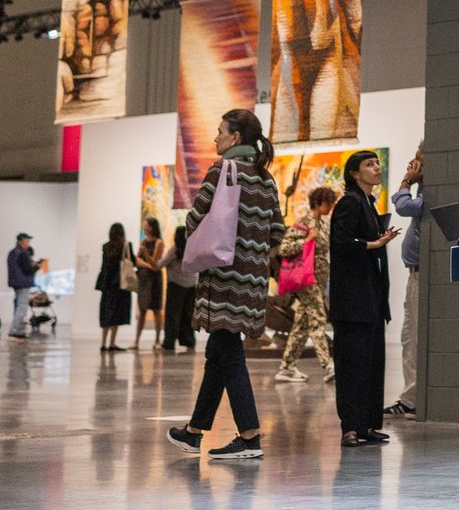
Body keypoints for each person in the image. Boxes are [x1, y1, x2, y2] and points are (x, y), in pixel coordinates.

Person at [165, 108, 283, 463]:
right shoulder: (266, 177)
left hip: (223, 277)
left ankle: (249, 435)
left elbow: (194, 217)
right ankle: (194, 431)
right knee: (219, 351)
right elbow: (277, 230)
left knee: (228, 355)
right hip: (252, 280)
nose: (214, 138)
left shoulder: (222, 169)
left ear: (234, 138)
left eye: (219, 131)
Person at [329, 152, 396, 448]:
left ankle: (367, 425)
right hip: (353, 301)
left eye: (376, 163)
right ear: (355, 173)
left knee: (371, 362)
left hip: (369, 298)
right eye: (369, 165)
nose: (376, 168)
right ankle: (350, 428)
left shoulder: (367, 203)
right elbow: (341, 243)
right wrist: (375, 243)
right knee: (353, 365)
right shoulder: (350, 202)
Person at [276, 186, 336, 384]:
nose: (330, 207)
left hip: (319, 280)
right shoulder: (303, 223)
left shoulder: (326, 224)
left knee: (301, 325)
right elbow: (284, 249)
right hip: (305, 280)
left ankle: (287, 367)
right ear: (318, 204)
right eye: (328, 203)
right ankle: (327, 365)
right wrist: (306, 241)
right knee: (318, 317)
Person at [386, 148, 426, 418]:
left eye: (418, 157)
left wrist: (405, 182)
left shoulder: (428, 191)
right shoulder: (424, 188)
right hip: (414, 272)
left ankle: (412, 399)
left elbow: (403, 206)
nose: (412, 162)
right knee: (407, 338)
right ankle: (409, 397)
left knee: (414, 340)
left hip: (422, 274)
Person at [94, 223, 132, 352]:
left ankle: (103, 343)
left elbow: (104, 266)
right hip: (120, 285)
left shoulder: (105, 247)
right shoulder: (126, 245)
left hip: (107, 285)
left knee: (106, 313)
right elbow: (132, 262)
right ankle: (112, 343)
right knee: (116, 314)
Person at [131, 219, 166, 349]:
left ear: (151, 227)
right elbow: (137, 260)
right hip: (144, 278)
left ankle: (157, 340)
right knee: (142, 310)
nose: (144, 227)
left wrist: (146, 255)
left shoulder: (159, 243)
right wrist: (148, 265)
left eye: (146, 225)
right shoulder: (144, 241)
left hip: (155, 279)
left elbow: (154, 262)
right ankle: (136, 341)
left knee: (156, 310)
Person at [5, 234, 40, 341]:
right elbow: (28, 269)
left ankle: (19, 331)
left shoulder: (13, 252)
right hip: (23, 282)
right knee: (22, 308)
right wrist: (36, 267)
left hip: (16, 282)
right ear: (22, 241)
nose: (28, 243)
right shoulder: (23, 253)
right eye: (27, 241)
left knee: (20, 307)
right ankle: (14, 332)